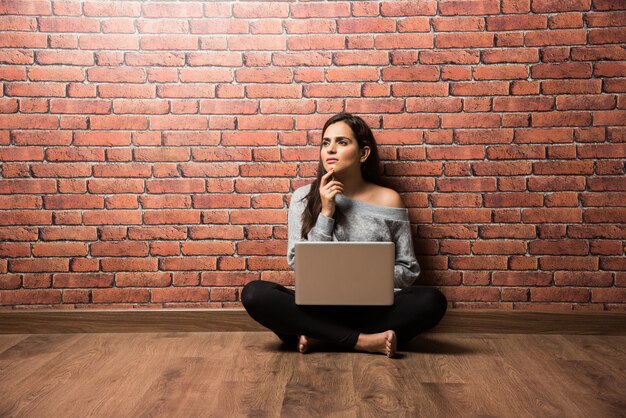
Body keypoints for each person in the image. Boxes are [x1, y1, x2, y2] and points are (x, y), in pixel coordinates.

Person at [241, 112, 447, 358]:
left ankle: (322, 337)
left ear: (363, 153)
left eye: (342, 142)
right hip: (316, 309)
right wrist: (326, 213)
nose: (331, 150)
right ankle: (362, 341)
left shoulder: (389, 199)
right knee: (255, 294)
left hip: (373, 309)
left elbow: (408, 268)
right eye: (326, 143)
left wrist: (363, 280)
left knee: (432, 301)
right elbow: (300, 263)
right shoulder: (303, 198)